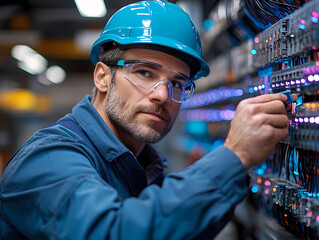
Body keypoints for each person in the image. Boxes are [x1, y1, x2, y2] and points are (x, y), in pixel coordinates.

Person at [0, 1, 289, 239]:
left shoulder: (142, 170)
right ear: (102, 76)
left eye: (177, 83)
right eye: (145, 73)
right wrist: (233, 157)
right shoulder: (49, 157)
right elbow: (113, 232)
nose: (162, 94)